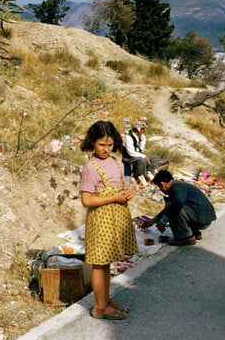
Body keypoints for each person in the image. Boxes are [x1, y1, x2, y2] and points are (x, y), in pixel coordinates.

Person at [79, 120, 139, 320]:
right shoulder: (90, 167)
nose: (106, 149)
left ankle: (105, 300)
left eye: (109, 145)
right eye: (101, 145)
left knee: (107, 263)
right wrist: (114, 198)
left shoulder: (116, 162)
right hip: (100, 220)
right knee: (99, 263)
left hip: (116, 217)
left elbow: (121, 186)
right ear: (92, 143)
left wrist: (127, 192)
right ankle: (99, 307)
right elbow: (87, 199)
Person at [141, 170, 216, 246]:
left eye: (159, 187)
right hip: (203, 217)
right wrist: (153, 221)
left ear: (162, 184)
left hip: (202, 218)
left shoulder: (177, 188)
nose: (161, 190)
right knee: (171, 208)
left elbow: (176, 206)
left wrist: (162, 221)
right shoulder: (177, 185)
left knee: (174, 210)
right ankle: (195, 232)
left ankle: (186, 238)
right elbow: (169, 208)